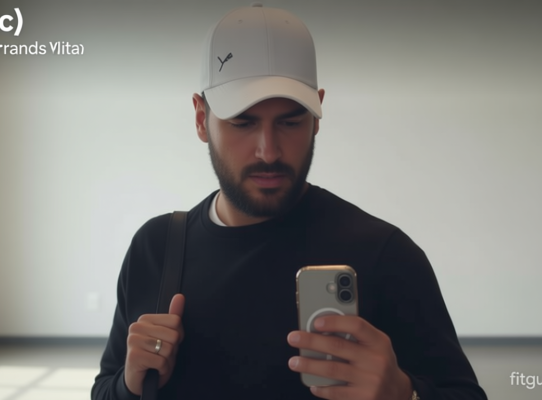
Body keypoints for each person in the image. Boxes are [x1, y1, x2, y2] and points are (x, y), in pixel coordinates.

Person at [91, 4, 487, 400]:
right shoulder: (156, 248)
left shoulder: (385, 254)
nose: (268, 151)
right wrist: (129, 384)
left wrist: (404, 394)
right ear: (200, 119)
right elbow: (105, 390)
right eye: (243, 122)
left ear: (317, 116)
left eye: (290, 121)